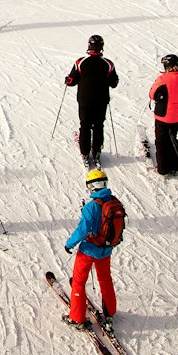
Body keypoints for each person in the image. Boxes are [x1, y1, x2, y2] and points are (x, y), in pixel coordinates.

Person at [62, 168, 124, 326]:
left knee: (78, 282)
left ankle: (77, 318)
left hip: (89, 250)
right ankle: (110, 311)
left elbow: (83, 230)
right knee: (105, 280)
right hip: (106, 250)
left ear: (91, 186)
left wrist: (69, 244)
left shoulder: (91, 207)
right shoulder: (113, 201)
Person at [65, 34, 118, 162]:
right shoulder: (108, 64)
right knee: (99, 125)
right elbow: (114, 83)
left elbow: (71, 81)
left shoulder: (80, 62)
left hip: (85, 100)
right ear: (101, 47)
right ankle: (97, 151)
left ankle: (84, 152)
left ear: (89, 46)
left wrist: (67, 80)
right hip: (101, 100)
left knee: (85, 125)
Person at [148, 53, 178, 177]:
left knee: (161, 141)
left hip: (163, 115)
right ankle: (174, 165)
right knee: (172, 137)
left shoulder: (163, 79)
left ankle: (162, 168)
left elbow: (152, 94)